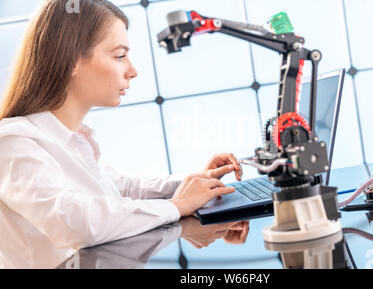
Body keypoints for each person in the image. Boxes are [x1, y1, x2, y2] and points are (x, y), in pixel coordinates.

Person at [0, 0, 243, 268]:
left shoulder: (73, 139)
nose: (133, 70)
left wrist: (194, 183)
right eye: (119, 56)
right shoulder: (13, 141)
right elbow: (73, 222)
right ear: (69, 59)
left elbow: (123, 188)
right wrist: (178, 205)